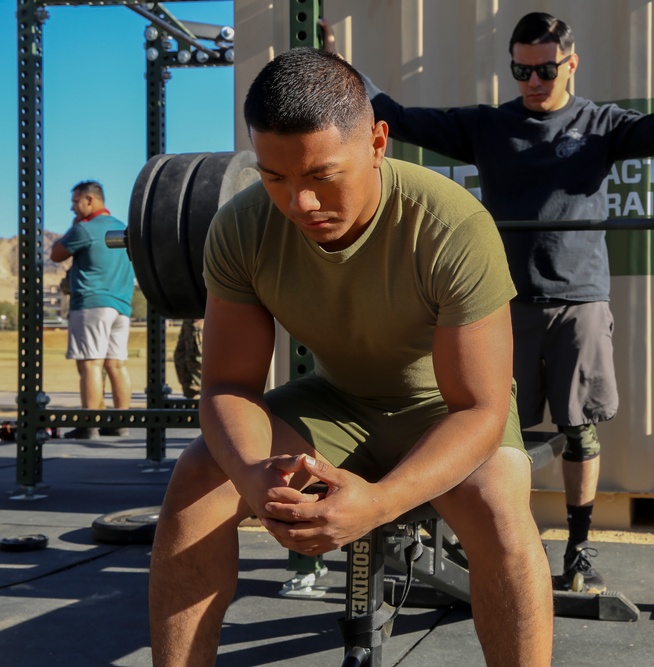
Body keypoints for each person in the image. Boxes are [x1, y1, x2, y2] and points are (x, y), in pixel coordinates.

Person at [148, 48, 552, 666]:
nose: (299, 204)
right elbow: (228, 385)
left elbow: (480, 406)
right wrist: (255, 473)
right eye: (275, 178)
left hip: (444, 408)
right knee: (201, 474)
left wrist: (379, 503)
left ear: (377, 142)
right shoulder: (240, 229)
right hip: (337, 403)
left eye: (321, 176)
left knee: (499, 506)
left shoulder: (451, 224)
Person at [321, 0, 654, 593]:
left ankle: (580, 548)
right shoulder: (489, 127)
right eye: (522, 71)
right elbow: (395, 116)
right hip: (499, 306)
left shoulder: (601, 126)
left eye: (545, 69)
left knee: (579, 431)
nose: (534, 82)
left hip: (578, 302)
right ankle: (490, 543)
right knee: (485, 428)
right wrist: (338, 67)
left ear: (572, 65)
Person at [50, 181, 134, 439]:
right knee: (116, 365)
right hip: (121, 305)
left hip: (92, 304)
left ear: (89, 200)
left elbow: (55, 254)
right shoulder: (121, 227)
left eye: (76, 202)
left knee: (90, 364)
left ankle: (90, 423)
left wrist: (75, 224)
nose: (72, 207)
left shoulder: (85, 229)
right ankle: (121, 421)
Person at [173, 319, 202, 399]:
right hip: (188, 318)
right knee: (180, 357)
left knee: (195, 358)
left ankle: (198, 395)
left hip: (197, 318)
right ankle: (190, 394)